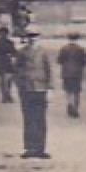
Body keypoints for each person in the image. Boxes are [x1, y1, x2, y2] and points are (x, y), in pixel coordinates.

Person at [14, 28, 52, 159]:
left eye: (35, 36)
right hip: (26, 89)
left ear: (39, 37)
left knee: (40, 119)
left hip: (41, 88)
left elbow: (49, 71)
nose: (32, 39)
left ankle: (41, 148)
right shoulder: (21, 52)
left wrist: (50, 89)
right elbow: (16, 69)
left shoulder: (44, 53)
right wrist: (20, 84)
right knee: (29, 119)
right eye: (30, 36)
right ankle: (30, 148)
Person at [57, 32, 86, 118]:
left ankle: (70, 103)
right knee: (76, 91)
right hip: (77, 72)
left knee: (68, 90)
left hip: (67, 72)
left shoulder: (64, 48)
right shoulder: (81, 49)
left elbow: (59, 60)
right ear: (77, 38)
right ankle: (75, 107)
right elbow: (84, 62)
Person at [0, 26, 18, 103]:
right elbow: (15, 53)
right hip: (6, 61)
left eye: (3, 33)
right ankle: (6, 96)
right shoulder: (9, 42)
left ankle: (6, 96)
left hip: (3, 61)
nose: (3, 35)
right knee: (6, 80)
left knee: (6, 80)